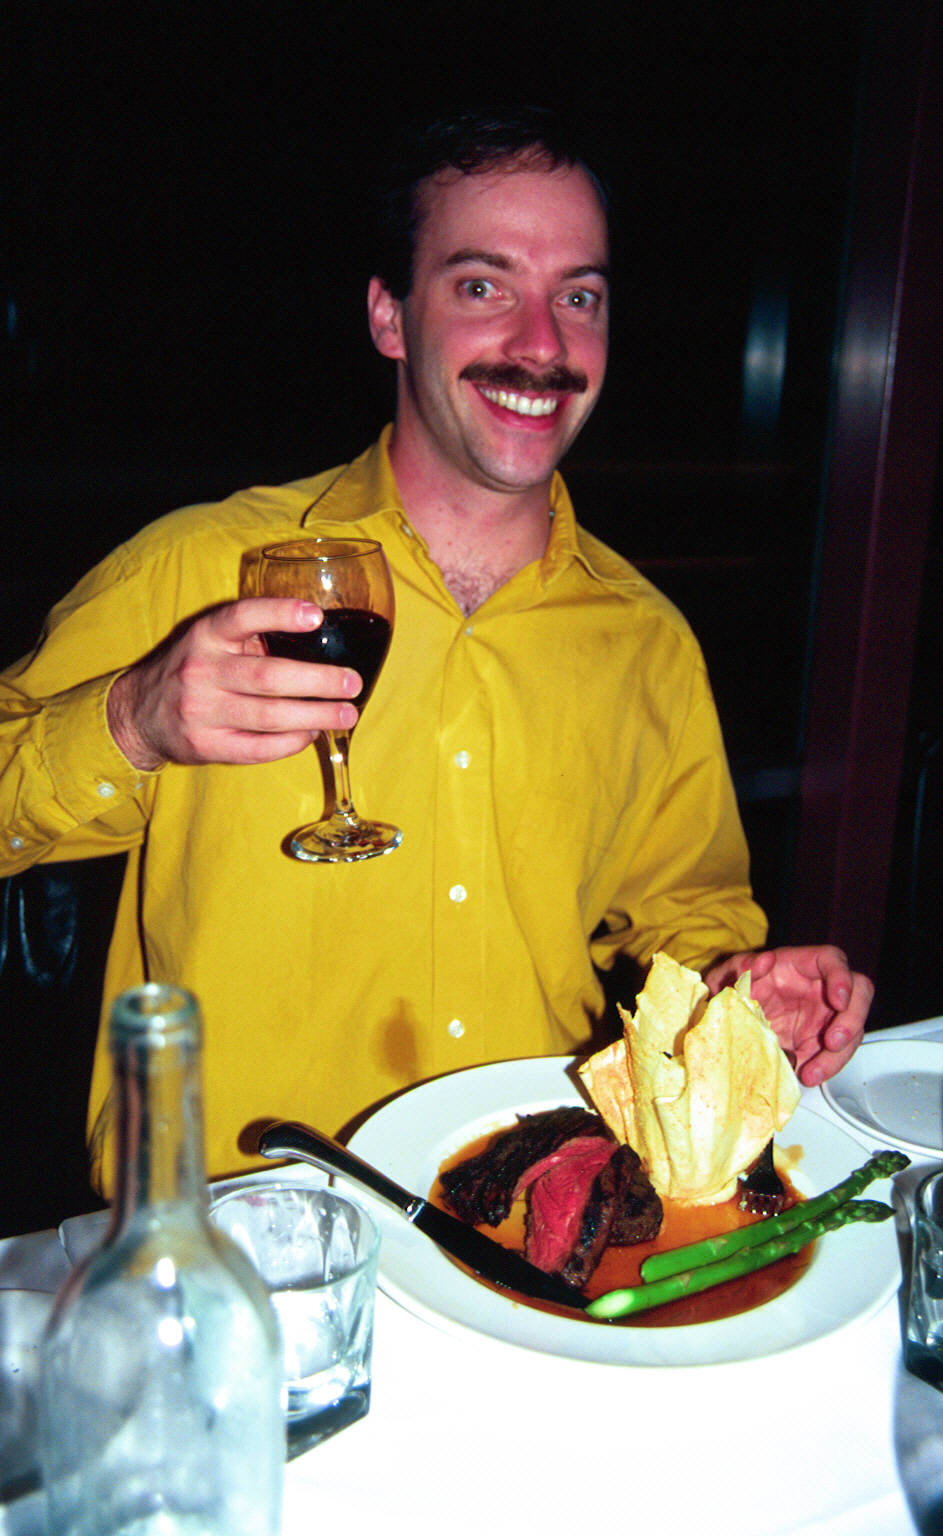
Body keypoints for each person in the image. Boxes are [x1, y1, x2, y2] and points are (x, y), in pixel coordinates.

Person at [0, 107, 872, 1192]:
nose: (542, 344)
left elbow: (686, 915)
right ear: (391, 317)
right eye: (482, 286)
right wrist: (130, 722)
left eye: (579, 297)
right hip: (239, 1218)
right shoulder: (199, 569)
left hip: (519, 1215)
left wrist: (744, 989)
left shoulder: (645, 640)